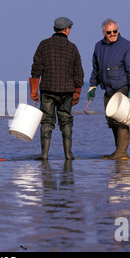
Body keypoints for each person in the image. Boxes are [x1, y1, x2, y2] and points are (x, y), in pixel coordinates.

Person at [30, 17, 84, 160]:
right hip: (67, 91)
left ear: (55, 29)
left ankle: (44, 155)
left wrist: (33, 91)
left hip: (47, 90)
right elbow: (78, 73)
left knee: (47, 122)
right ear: (67, 30)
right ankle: (68, 154)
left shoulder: (44, 45)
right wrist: (77, 93)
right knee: (66, 121)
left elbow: (36, 69)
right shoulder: (72, 48)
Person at [87, 18, 130, 160]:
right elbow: (96, 69)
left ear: (118, 29)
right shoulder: (99, 47)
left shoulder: (127, 46)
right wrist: (92, 85)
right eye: (109, 32)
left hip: (122, 88)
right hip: (108, 90)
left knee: (121, 120)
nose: (112, 34)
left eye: (114, 31)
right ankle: (118, 150)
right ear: (104, 33)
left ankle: (122, 152)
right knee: (111, 121)